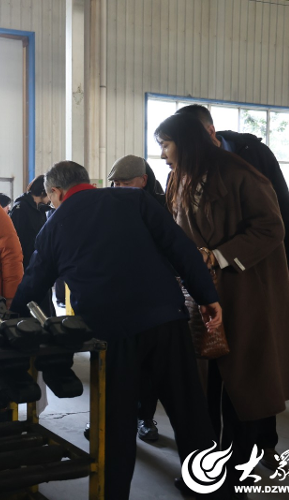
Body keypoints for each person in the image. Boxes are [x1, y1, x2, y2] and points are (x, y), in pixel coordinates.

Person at [10, 161, 227, 499]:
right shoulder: (135, 200)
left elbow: (33, 283)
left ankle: (113, 494)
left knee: (116, 422)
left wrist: (12, 318)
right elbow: (181, 249)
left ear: (56, 192)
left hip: (112, 332)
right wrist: (207, 297)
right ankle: (212, 491)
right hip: (165, 321)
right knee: (190, 412)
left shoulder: (53, 227)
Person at [155, 113, 289, 490]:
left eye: (165, 145)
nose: (161, 155)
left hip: (244, 292)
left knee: (242, 386)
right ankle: (205, 470)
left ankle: (238, 468)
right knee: (201, 387)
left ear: (186, 142)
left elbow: (272, 226)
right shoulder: (178, 177)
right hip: (199, 295)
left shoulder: (239, 173)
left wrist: (219, 255)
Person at [176, 105, 289, 272]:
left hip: (257, 264)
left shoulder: (253, 155)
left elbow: (282, 207)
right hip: (214, 268)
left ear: (210, 131)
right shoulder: (184, 171)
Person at [108, 155, 166, 443]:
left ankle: (145, 418)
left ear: (143, 181)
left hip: (151, 299)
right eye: (116, 183)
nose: (119, 188)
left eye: (125, 183)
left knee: (148, 367)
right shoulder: (109, 206)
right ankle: (112, 420)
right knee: (116, 365)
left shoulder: (161, 208)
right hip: (117, 296)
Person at [10, 175, 51, 270]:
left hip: (36, 261)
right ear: (43, 192)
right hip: (25, 263)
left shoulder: (40, 209)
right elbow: (16, 239)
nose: (51, 197)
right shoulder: (20, 208)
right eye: (50, 192)